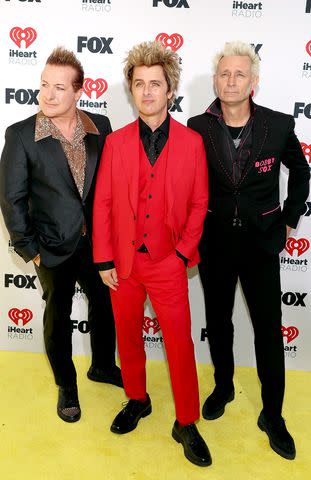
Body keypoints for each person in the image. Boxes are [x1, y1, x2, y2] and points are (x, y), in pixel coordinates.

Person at [188, 41, 310, 460]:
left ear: (254, 82)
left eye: (240, 74)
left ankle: (272, 415)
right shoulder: (195, 126)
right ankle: (223, 387)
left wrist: (290, 217)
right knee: (218, 323)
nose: (231, 80)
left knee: (268, 332)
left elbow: (301, 170)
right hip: (215, 242)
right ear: (216, 79)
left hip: (261, 243)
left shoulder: (278, 125)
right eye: (224, 73)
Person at [92, 41, 211, 467]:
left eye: (155, 84)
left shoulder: (193, 143)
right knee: (129, 337)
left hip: (168, 262)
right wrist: (104, 258)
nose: (147, 92)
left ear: (170, 90)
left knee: (179, 343)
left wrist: (181, 255)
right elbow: (102, 202)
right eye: (139, 84)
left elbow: (200, 204)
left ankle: (186, 421)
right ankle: (137, 399)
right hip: (122, 263)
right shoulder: (116, 143)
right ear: (131, 89)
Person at [0, 47, 122, 424]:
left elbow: (110, 187)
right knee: (59, 314)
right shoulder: (21, 135)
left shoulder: (100, 125)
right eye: (43, 86)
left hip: (98, 244)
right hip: (51, 248)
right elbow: (11, 198)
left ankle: (102, 366)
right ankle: (66, 384)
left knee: (105, 308)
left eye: (58, 88)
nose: (47, 95)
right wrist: (30, 249)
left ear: (78, 91)